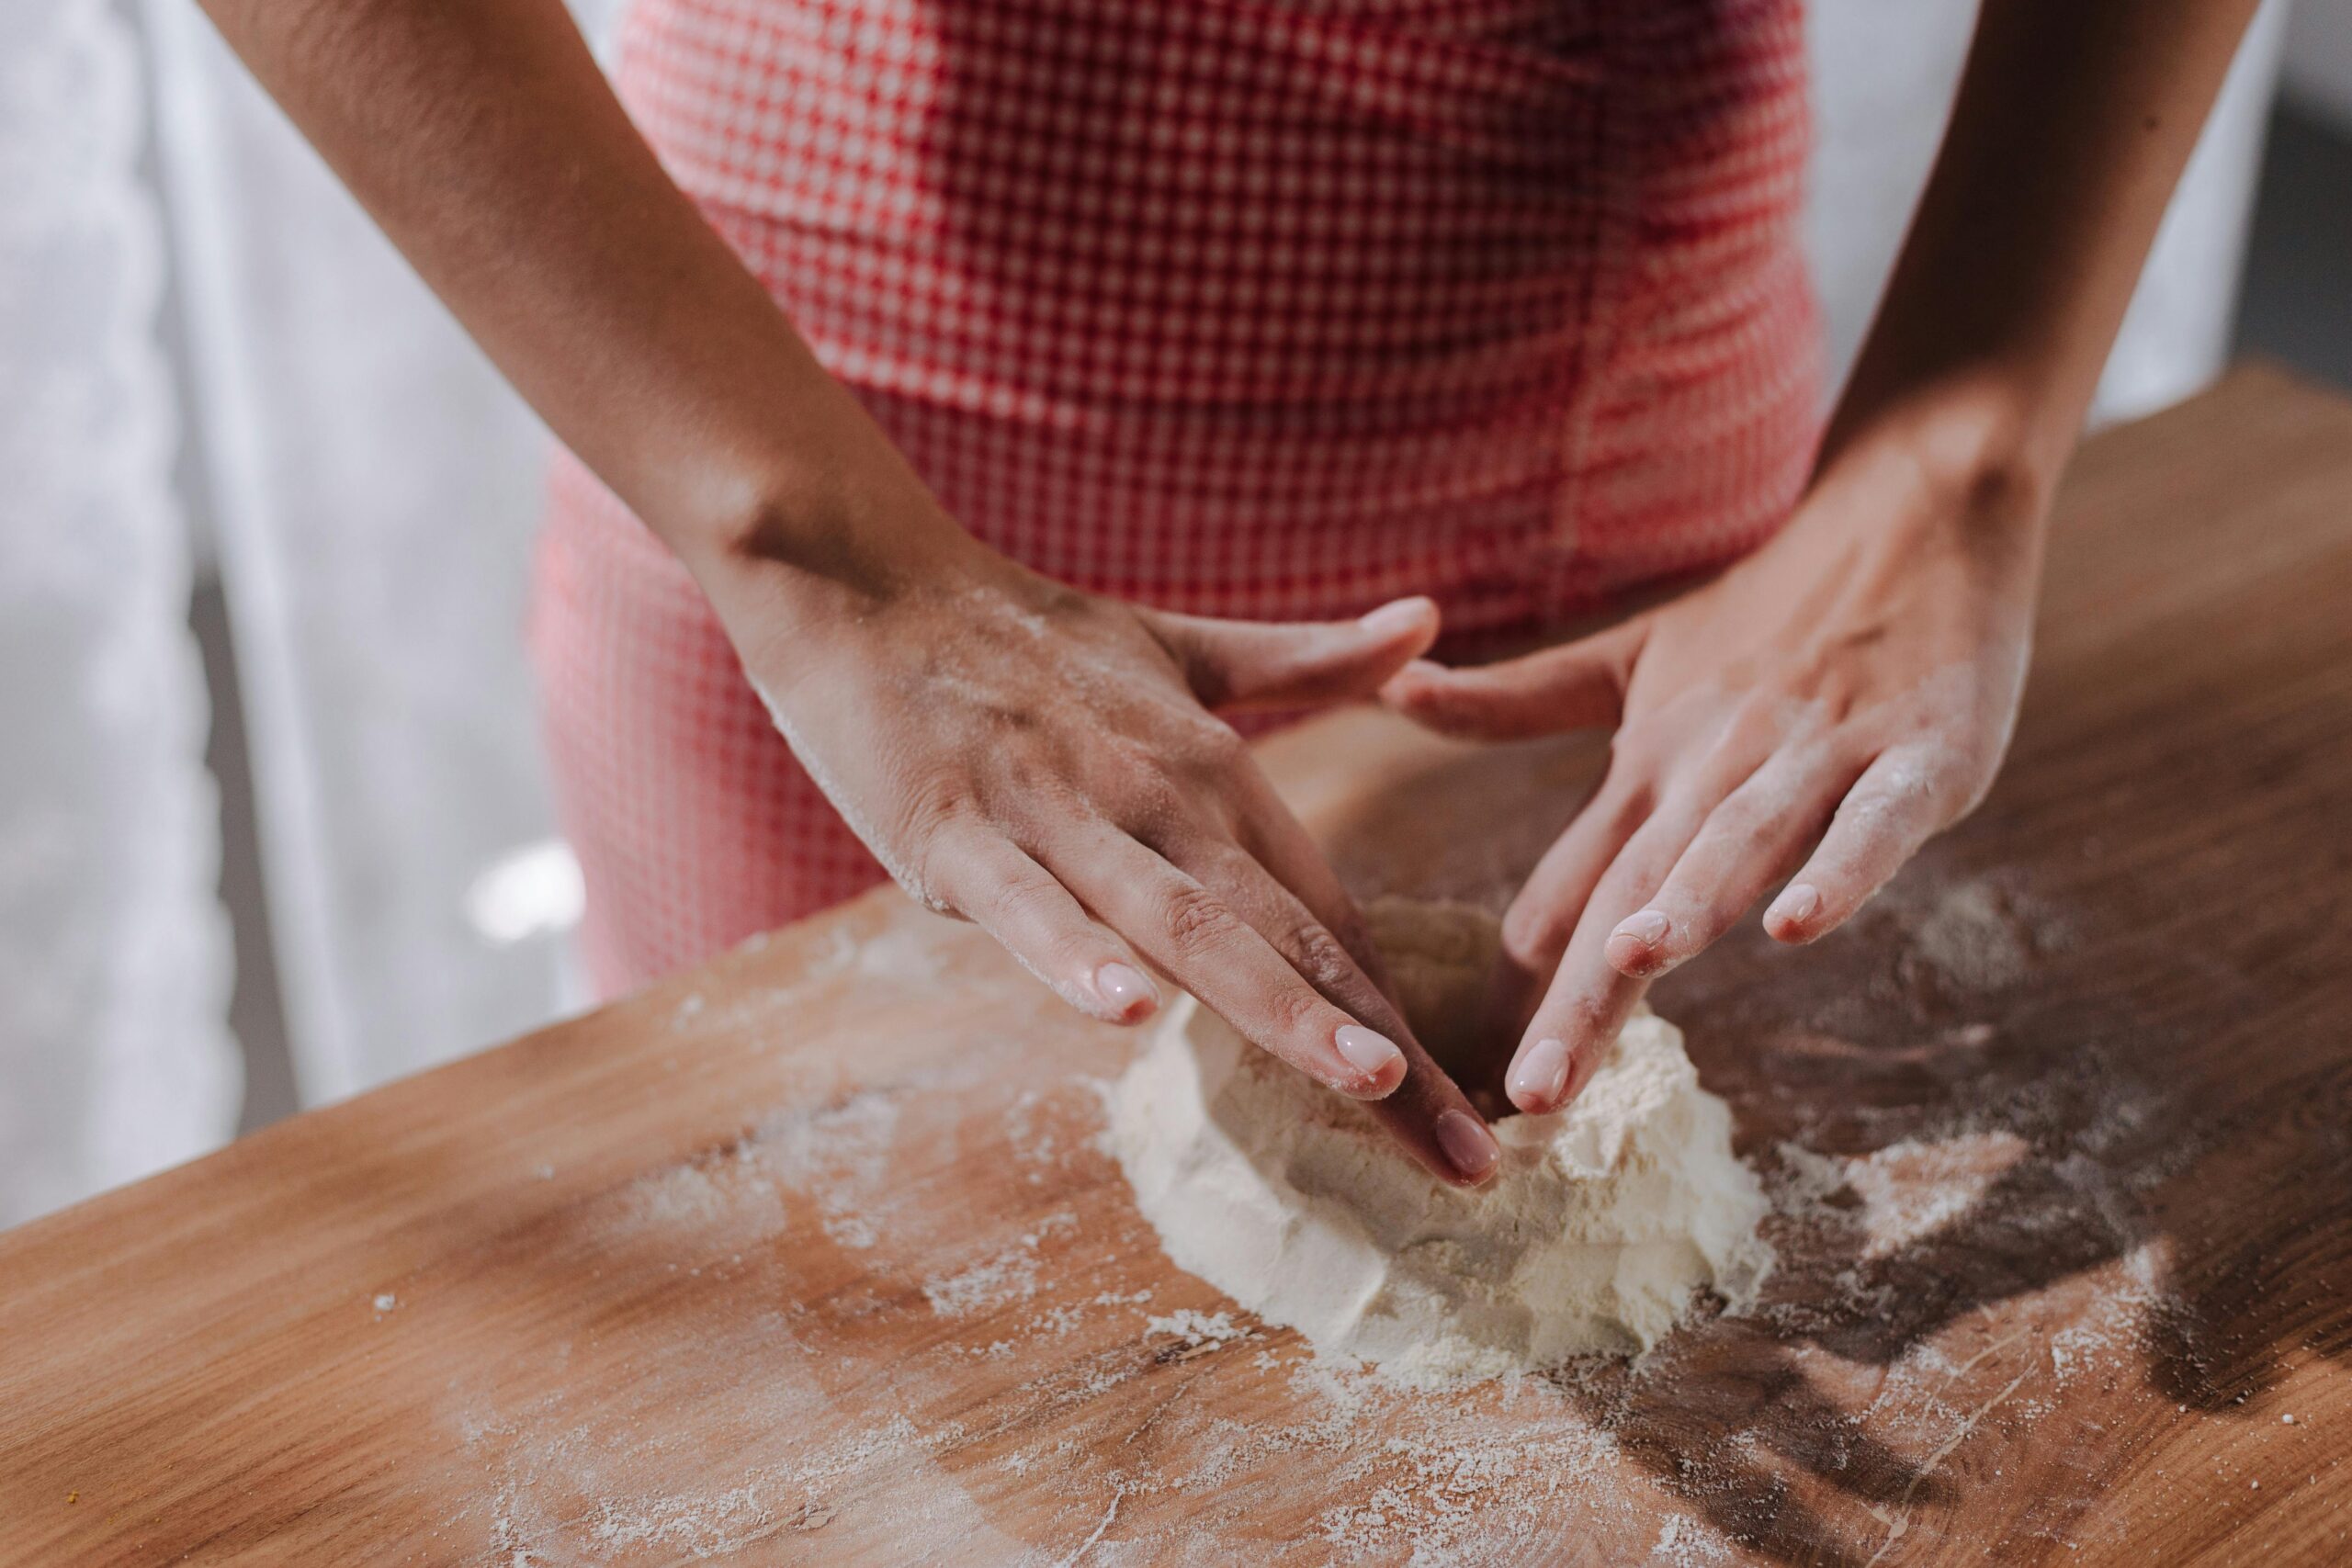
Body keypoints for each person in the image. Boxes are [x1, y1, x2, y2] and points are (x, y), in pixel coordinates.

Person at [200, 0, 2260, 1187]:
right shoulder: (787, 531)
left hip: (1609, 544)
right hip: (782, 448)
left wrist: (1953, 444)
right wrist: (801, 548)